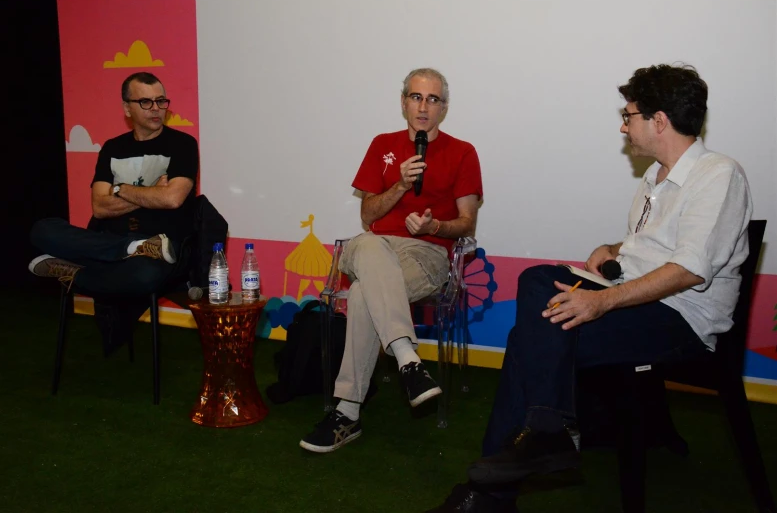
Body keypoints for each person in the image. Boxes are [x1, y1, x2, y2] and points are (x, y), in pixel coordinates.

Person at [429, 64, 753, 512]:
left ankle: (501, 484)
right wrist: (616, 247)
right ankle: (547, 432)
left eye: (630, 115)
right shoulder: (655, 179)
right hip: (639, 301)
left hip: (680, 320)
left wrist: (601, 301)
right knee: (537, 279)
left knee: (526, 338)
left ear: (659, 121)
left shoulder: (719, 174)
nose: (624, 126)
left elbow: (689, 268)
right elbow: (660, 246)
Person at [299, 68, 483, 453]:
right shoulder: (382, 143)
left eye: (433, 99)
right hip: (374, 247)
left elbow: (466, 225)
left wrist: (435, 224)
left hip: (427, 254)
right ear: (403, 102)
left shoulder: (463, 152)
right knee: (366, 244)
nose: (423, 106)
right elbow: (367, 218)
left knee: (365, 294)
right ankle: (408, 359)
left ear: (444, 108)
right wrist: (400, 184)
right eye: (416, 97)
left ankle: (347, 412)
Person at [29, 72, 199, 353]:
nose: (156, 108)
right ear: (126, 108)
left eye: (161, 101)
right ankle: (131, 247)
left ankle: (74, 271)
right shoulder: (112, 148)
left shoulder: (182, 144)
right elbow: (99, 207)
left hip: (164, 248)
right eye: (145, 102)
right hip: (115, 241)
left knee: (143, 276)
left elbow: (172, 198)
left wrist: (119, 189)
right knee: (42, 229)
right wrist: (148, 193)